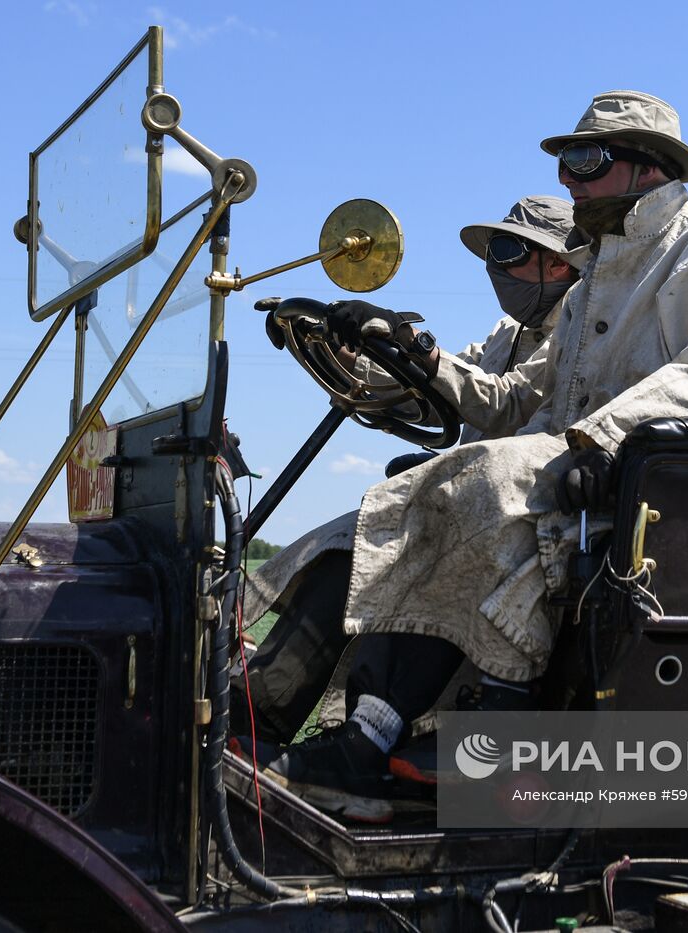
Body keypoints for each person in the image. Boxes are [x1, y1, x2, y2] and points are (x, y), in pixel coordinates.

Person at [262, 89, 688, 823]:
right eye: (565, 162)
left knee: (481, 479)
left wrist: (604, 441)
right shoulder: (590, 288)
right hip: (596, 482)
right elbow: (518, 400)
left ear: (648, 169)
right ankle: (324, 727)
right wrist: (402, 351)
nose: (569, 181)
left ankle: (465, 744)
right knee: (412, 494)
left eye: (586, 160)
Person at [234, 196, 587, 747]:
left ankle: (354, 737)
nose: (495, 267)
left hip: (521, 516)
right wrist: (346, 348)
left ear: (560, 264)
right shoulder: (506, 335)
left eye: (509, 250)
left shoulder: (581, 333)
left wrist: (414, 349)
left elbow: (497, 401)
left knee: (387, 543)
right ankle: (257, 712)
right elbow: (433, 387)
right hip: (464, 498)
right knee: (349, 547)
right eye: (491, 252)